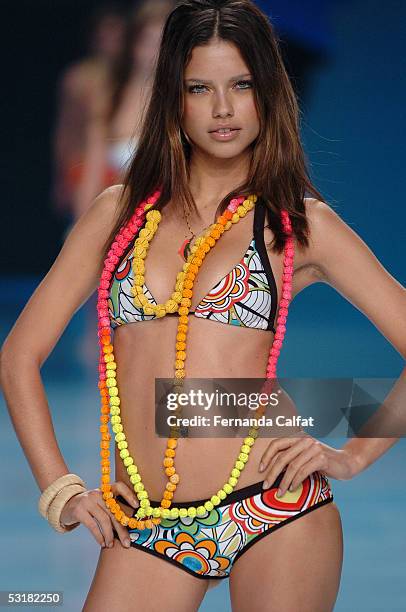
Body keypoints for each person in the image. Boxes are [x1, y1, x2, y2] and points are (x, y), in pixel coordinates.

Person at [1, 1, 405, 610]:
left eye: (241, 85)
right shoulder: (118, 214)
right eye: (200, 88)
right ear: (175, 97)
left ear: (267, 95)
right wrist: (59, 488)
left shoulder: (298, 224)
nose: (222, 109)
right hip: (148, 521)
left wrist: (349, 453)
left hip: (275, 507)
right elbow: (20, 355)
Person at [73, 0, 176, 220]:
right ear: (133, 44)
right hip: (116, 222)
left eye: (164, 41)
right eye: (149, 41)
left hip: (171, 222)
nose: (156, 52)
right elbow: (92, 172)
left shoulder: (184, 100)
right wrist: (79, 226)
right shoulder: (110, 99)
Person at [52, 2, 126, 221]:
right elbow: (66, 128)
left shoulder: (133, 79)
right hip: (83, 166)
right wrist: (61, 177)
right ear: (94, 36)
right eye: (105, 33)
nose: (110, 40)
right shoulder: (77, 78)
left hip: (123, 164)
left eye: (116, 34)